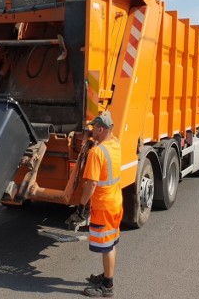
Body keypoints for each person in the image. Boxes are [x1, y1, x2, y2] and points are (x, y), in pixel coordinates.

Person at [71, 111, 123, 297]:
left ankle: (107, 286)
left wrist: (81, 207)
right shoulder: (115, 144)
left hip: (103, 207)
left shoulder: (97, 153)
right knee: (112, 242)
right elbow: (110, 134)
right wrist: (92, 138)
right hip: (116, 203)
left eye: (94, 128)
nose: (91, 130)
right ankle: (106, 275)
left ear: (101, 129)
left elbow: (91, 184)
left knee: (107, 246)